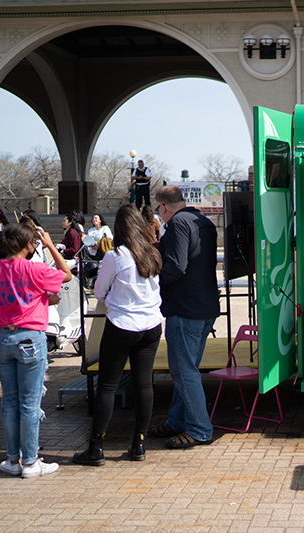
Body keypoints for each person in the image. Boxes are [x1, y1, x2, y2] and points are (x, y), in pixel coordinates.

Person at [0, 224, 71, 478]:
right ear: (26, 245)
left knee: (9, 403)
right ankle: (31, 462)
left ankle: (13, 460)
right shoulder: (34, 269)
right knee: (30, 405)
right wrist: (50, 244)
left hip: (2, 339)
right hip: (30, 339)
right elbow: (66, 275)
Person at [73, 204, 163, 466]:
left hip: (123, 324)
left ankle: (96, 447)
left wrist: (114, 296)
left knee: (108, 386)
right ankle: (139, 444)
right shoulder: (152, 253)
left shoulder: (116, 256)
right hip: (151, 325)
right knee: (144, 384)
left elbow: (99, 291)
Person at [147, 185, 219, 449]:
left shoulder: (177, 224)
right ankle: (177, 421)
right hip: (206, 305)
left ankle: (200, 429)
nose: (159, 216)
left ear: (162, 207)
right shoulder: (204, 222)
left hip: (184, 307)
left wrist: (149, 279)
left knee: (183, 371)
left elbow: (176, 267)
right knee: (186, 369)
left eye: (158, 211)